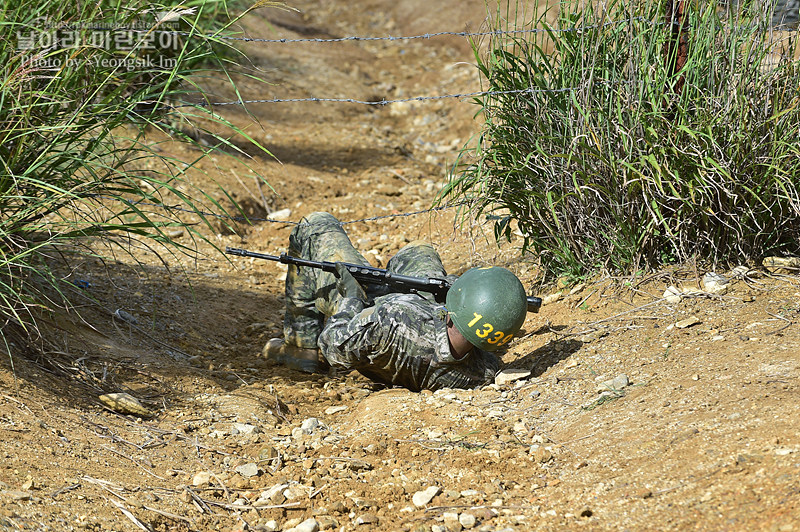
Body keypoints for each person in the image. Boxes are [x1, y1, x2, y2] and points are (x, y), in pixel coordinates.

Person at [264, 212, 529, 392]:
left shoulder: (392, 317)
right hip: (410, 338)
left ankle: (299, 348)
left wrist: (352, 299)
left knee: (315, 224)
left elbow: (334, 346)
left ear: (453, 310)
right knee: (419, 251)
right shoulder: (485, 370)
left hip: (371, 319)